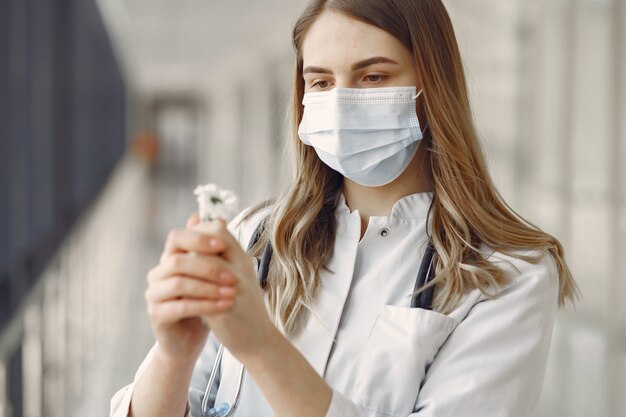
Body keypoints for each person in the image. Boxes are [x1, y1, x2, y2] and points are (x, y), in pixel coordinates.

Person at [111, 0, 579, 416]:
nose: (340, 103)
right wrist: (174, 354)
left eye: (373, 76)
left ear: (432, 85)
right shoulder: (254, 236)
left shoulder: (509, 274)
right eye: (321, 81)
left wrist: (261, 345)